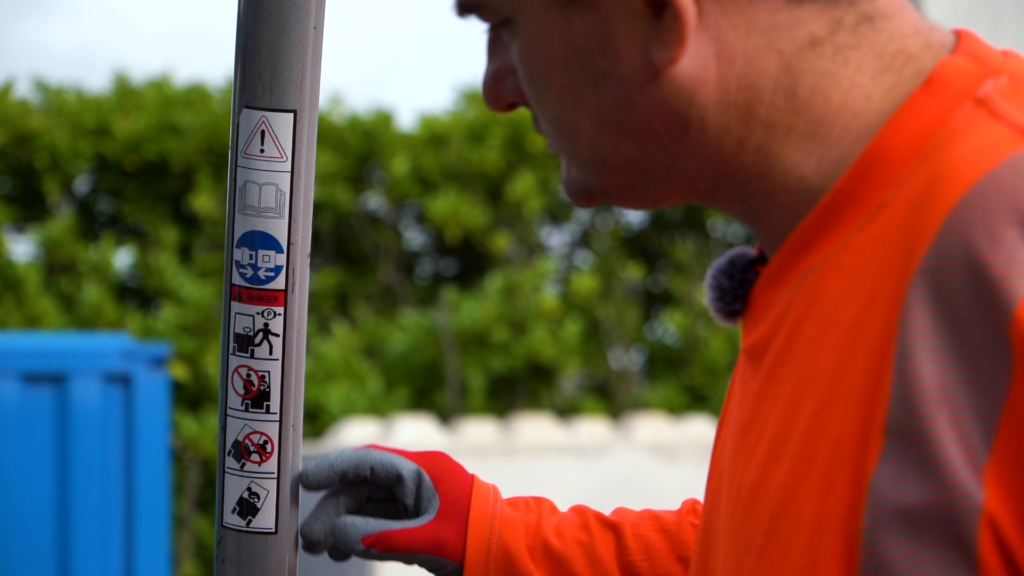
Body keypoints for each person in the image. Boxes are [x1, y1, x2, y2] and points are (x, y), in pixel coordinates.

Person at [299, 0, 1024, 574]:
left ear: (655, 11)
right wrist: (492, 540)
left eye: (503, 24)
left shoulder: (997, 232)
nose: (496, 89)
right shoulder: (838, 240)